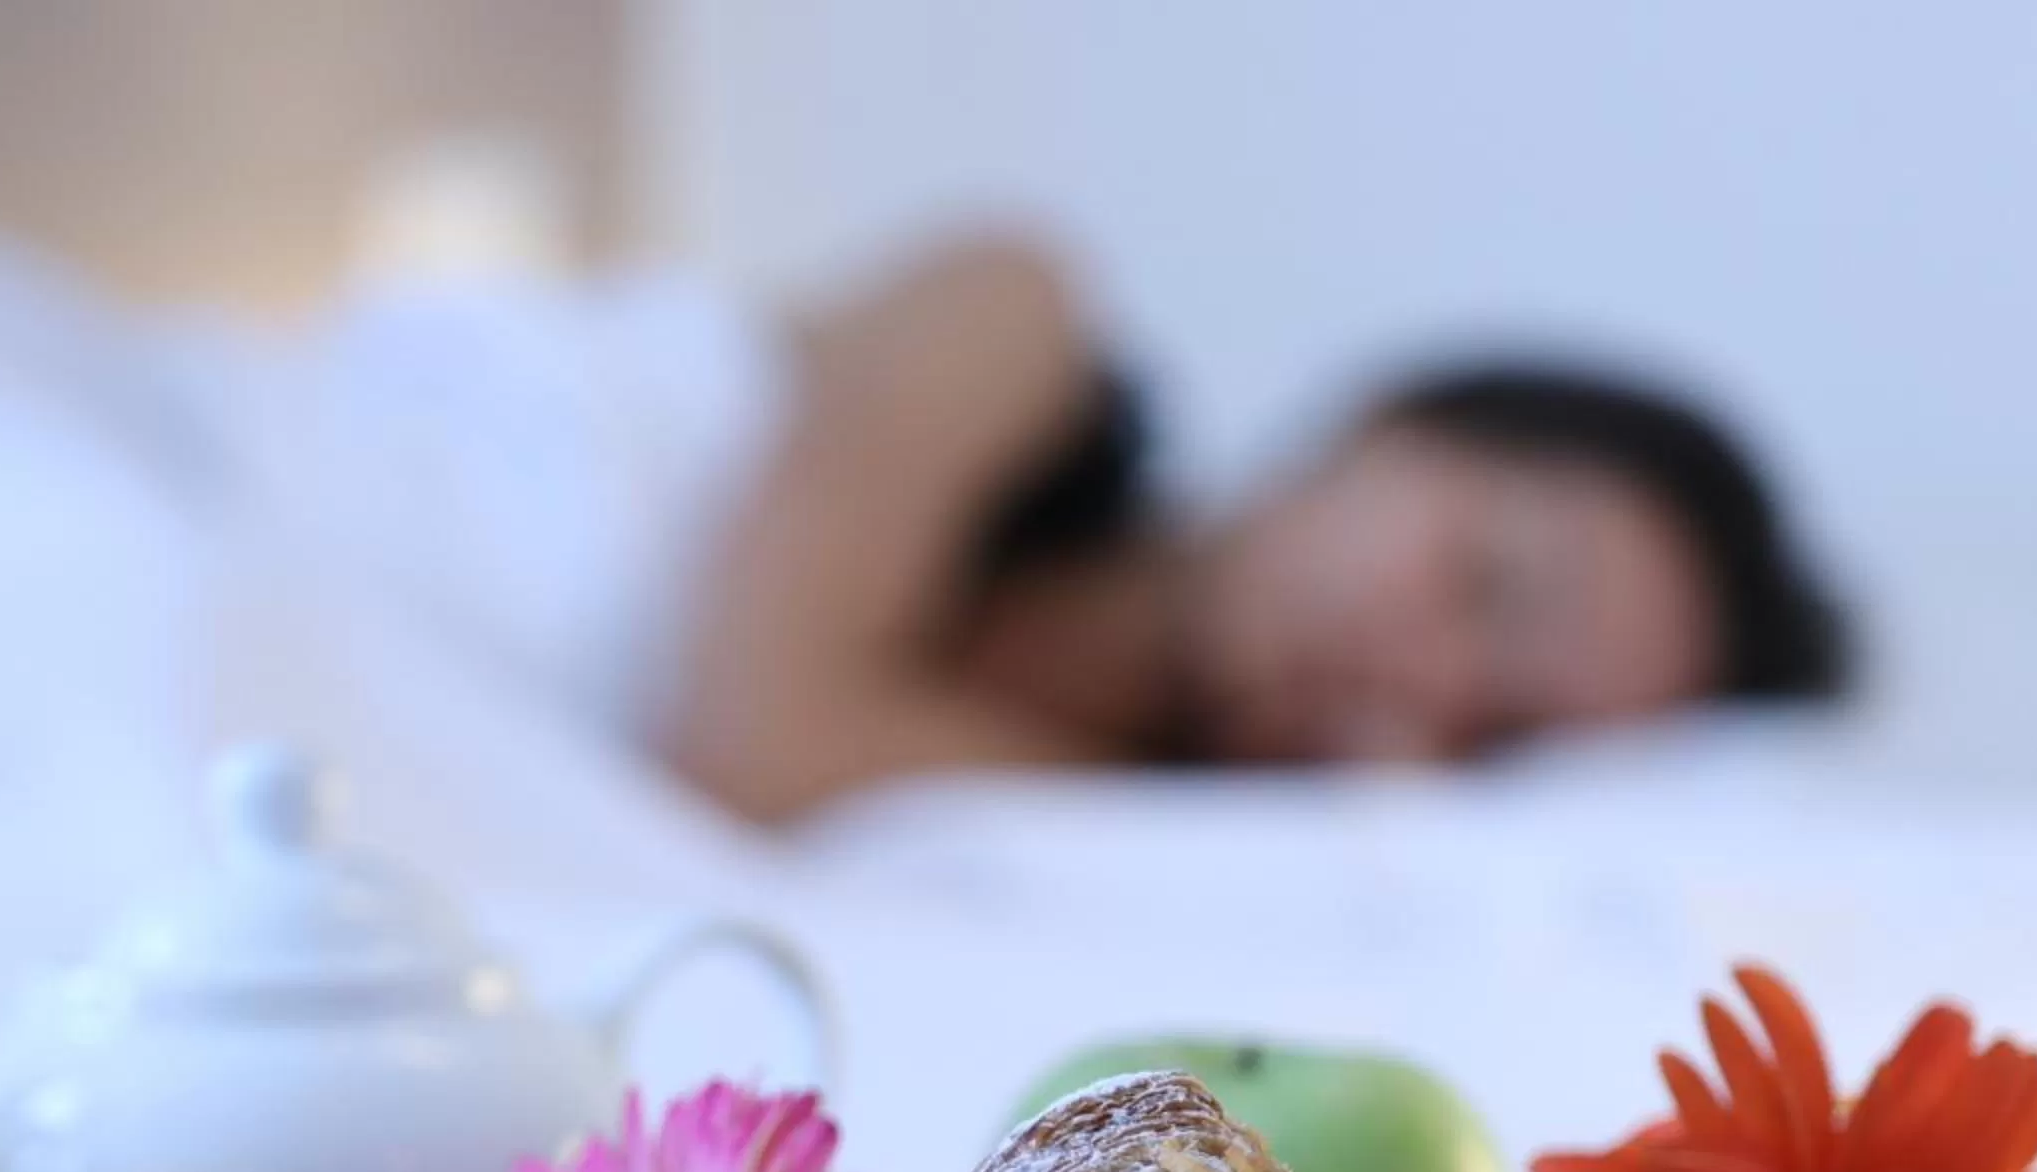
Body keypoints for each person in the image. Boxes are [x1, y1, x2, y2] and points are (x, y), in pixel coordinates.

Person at [668, 239, 1845, 821]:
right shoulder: (1010, 324)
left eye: (1489, 737)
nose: (1421, 684)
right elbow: (749, 749)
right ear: (1397, 421)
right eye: (1483, 582)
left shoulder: (1097, 848)